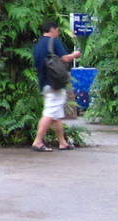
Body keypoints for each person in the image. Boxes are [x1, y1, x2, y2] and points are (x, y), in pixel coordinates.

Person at [32, 21, 81, 151]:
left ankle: (62, 142)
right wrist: (75, 55)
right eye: (57, 29)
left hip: (44, 82)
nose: (58, 32)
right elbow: (65, 58)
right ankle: (37, 141)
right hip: (55, 83)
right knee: (49, 114)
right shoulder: (54, 41)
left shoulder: (38, 45)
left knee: (56, 115)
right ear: (52, 29)